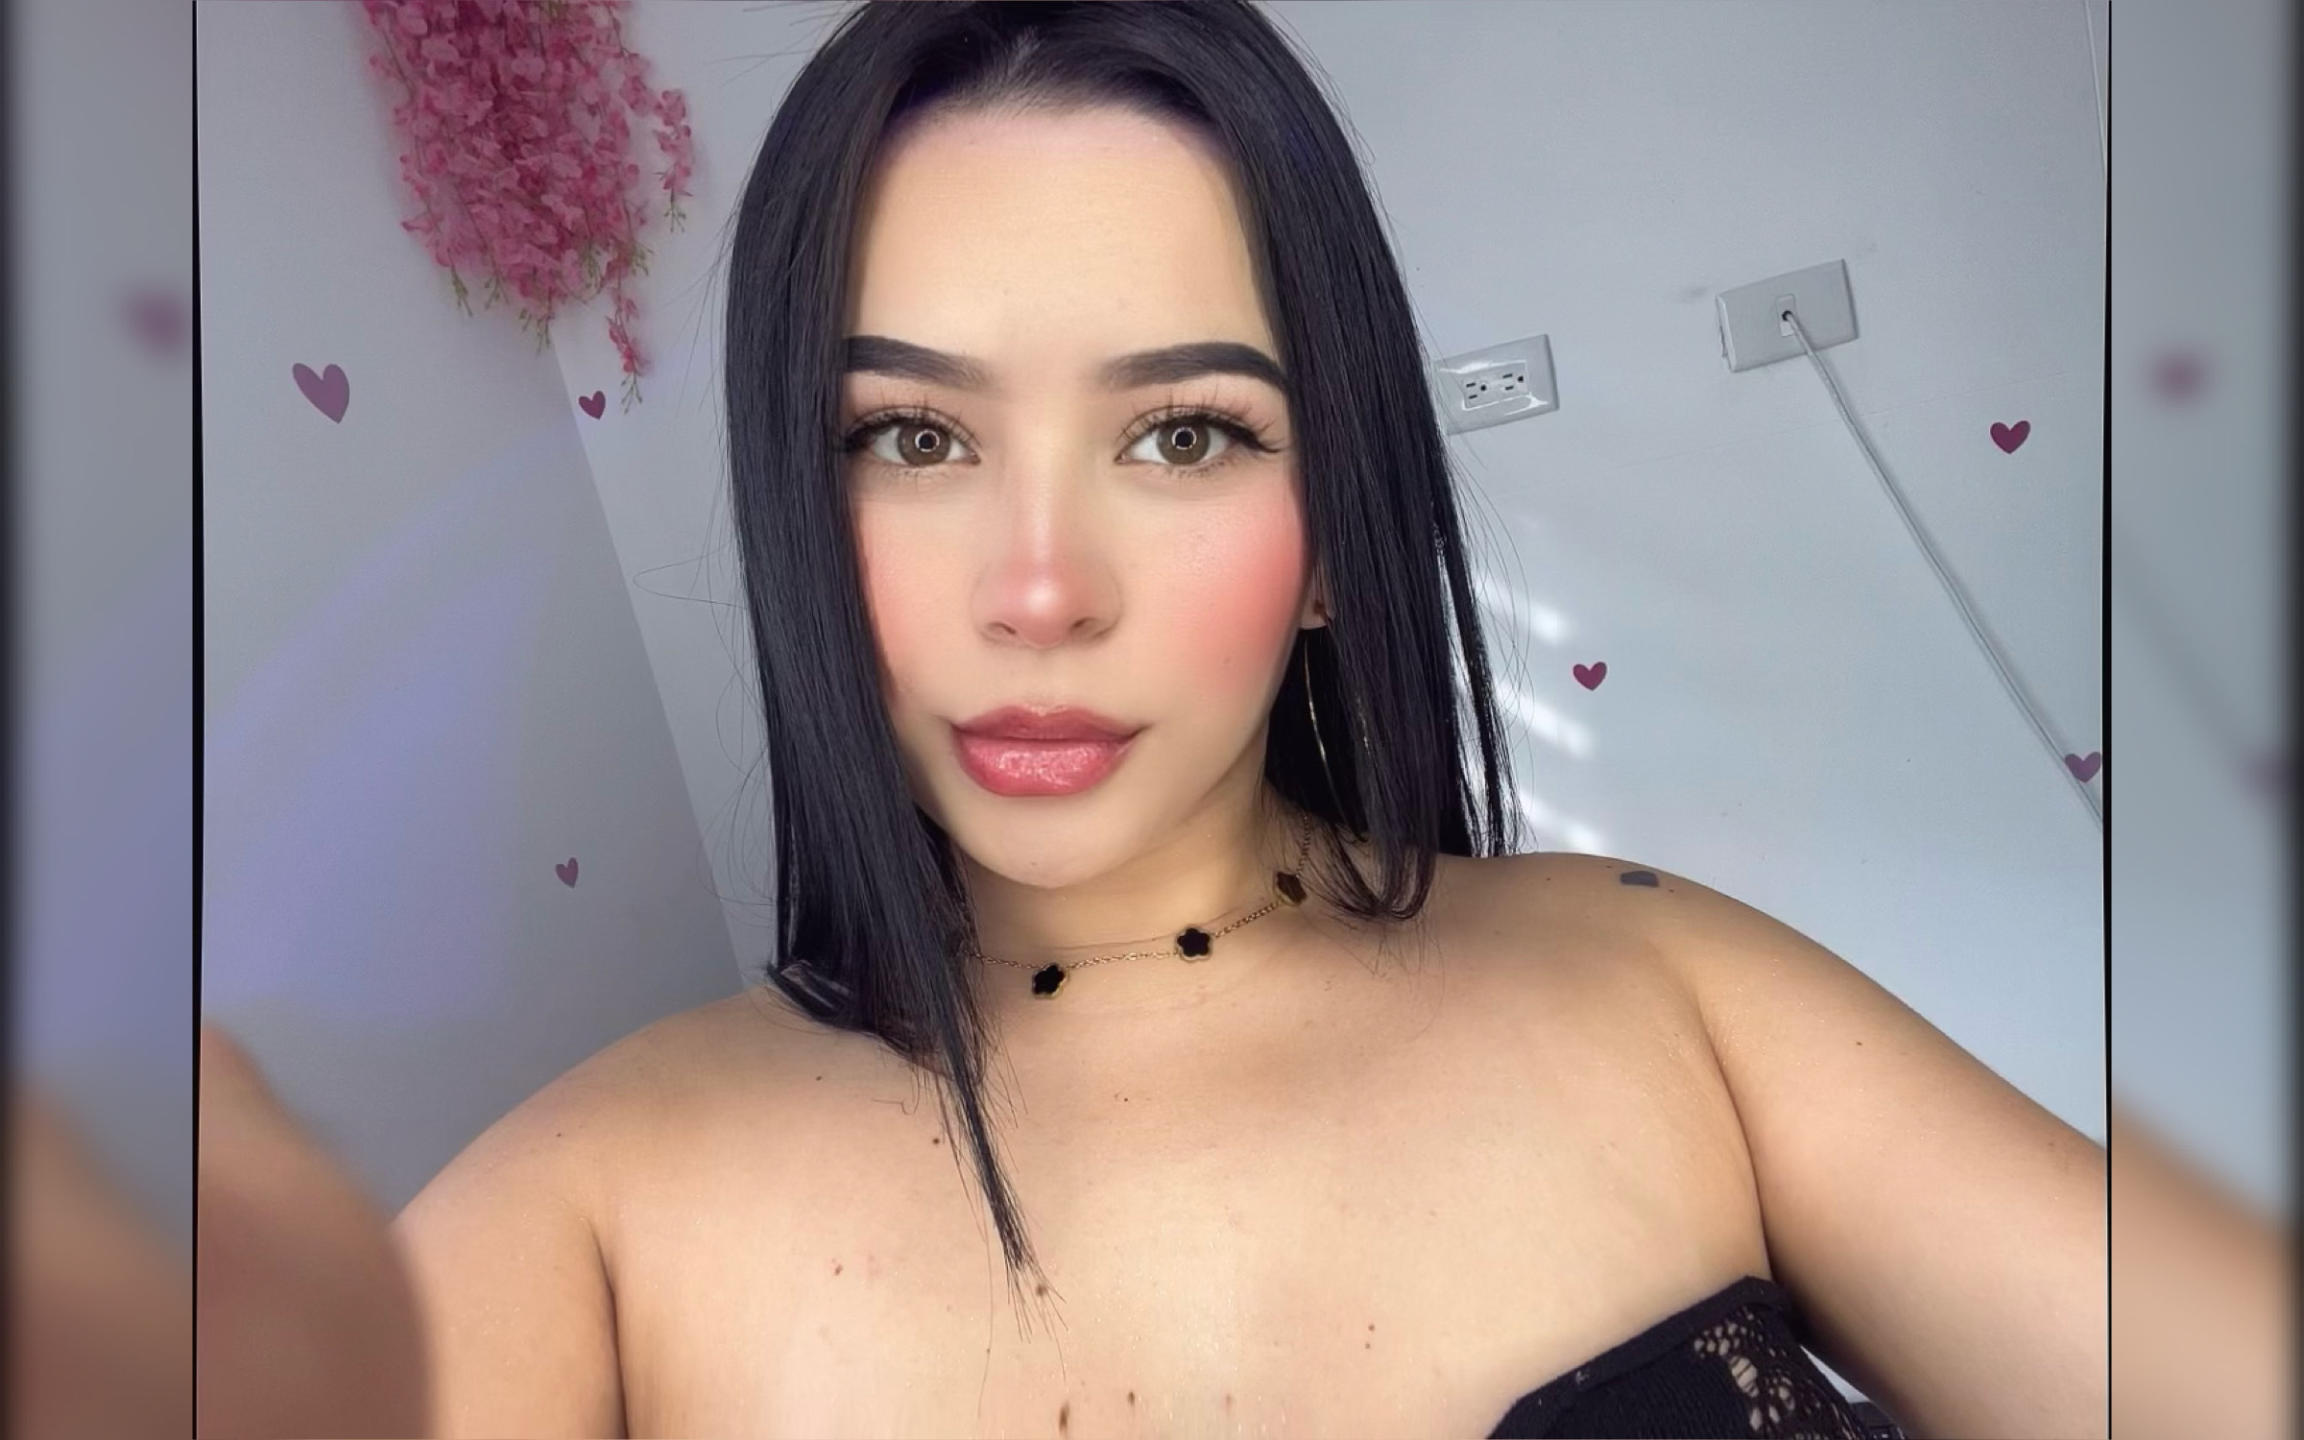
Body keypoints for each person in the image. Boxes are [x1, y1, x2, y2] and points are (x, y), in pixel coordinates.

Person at [207, 3, 2113, 1436]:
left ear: (1335, 529)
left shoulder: (1673, 990)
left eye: (1183, 434)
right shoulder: (577, 1224)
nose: (1040, 592)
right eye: (915, 437)